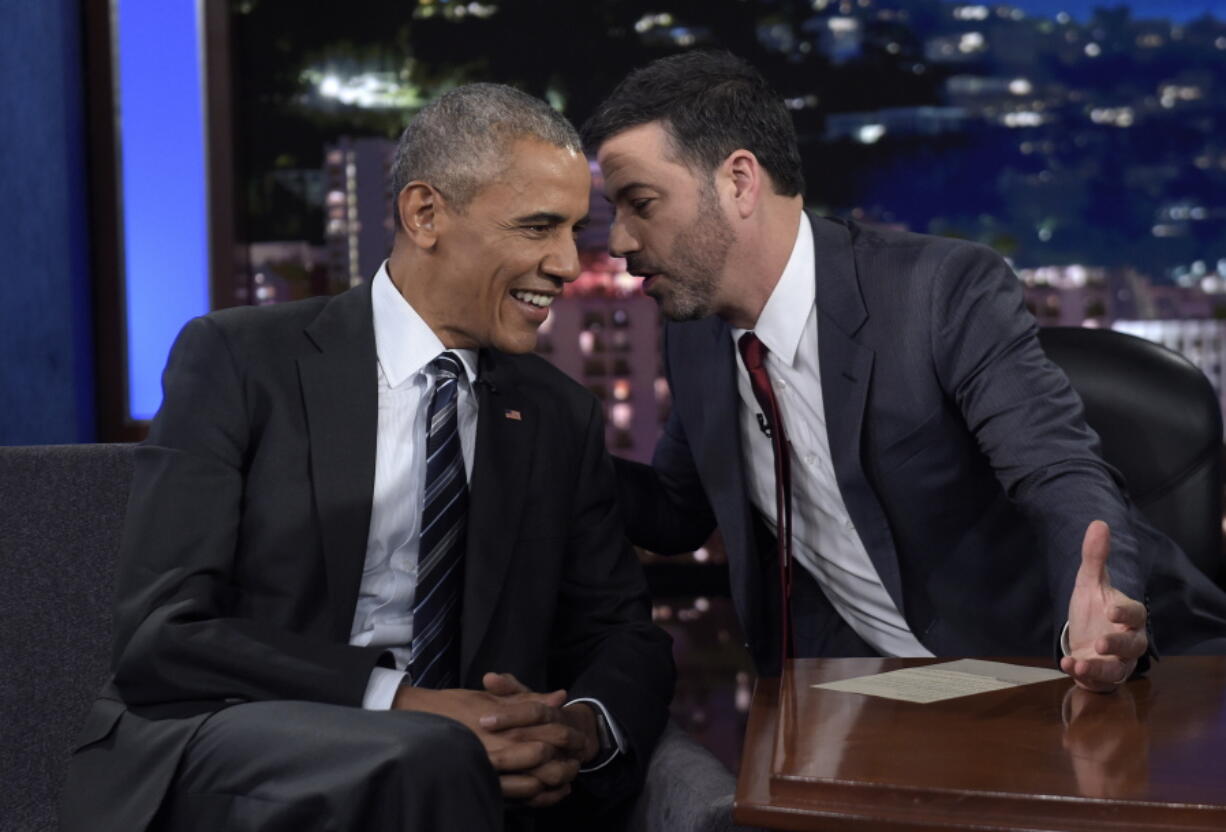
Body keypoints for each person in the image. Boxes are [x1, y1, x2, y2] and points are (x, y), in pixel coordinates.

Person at [60, 83, 674, 832]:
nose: (568, 263)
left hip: (460, 781)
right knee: (431, 757)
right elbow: (162, 632)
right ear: (425, 215)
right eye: (538, 227)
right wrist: (405, 704)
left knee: (443, 766)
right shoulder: (241, 360)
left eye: (576, 229)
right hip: (239, 737)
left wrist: (576, 729)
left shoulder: (556, 414)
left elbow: (620, 632)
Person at [582, 51, 1226, 691]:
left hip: (1076, 668)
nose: (619, 241)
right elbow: (675, 511)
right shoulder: (694, 335)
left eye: (641, 203)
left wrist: (1096, 617)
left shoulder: (939, 290)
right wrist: (544, 432)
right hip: (887, 692)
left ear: (740, 181)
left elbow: (1057, 470)